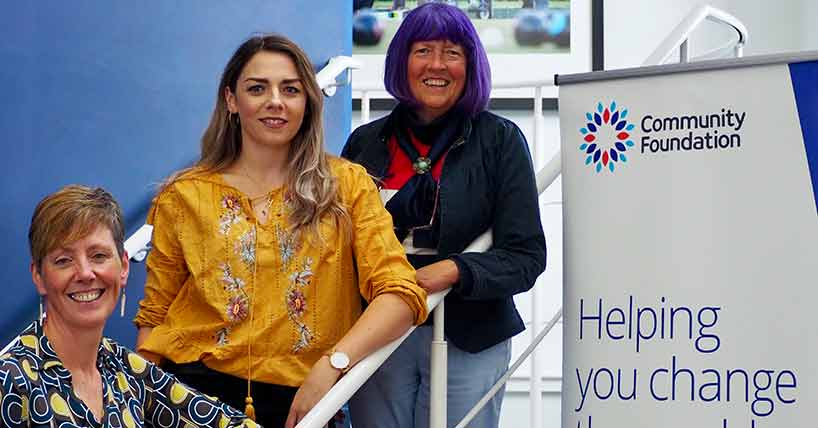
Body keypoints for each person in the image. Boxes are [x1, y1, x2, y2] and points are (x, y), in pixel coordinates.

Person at [133, 34, 428, 428]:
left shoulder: (346, 186)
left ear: (307, 102)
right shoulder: (184, 194)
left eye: (290, 89)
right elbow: (155, 315)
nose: (275, 101)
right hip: (190, 398)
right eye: (257, 88)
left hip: (304, 402)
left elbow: (401, 293)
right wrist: (141, 401)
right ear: (231, 100)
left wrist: (333, 364)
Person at [342, 3, 546, 428]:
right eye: (423, 51)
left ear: (469, 65)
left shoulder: (500, 141)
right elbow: (339, 247)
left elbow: (525, 256)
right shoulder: (365, 143)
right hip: (379, 329)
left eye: (452, 53)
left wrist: (452, 270)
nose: (437, 64)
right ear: (402, 61)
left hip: (469, 334)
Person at [0, 185, 258, 427]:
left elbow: (224, 422)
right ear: (38, 277)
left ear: (124, 266)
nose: (85, 273)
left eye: (98, 256)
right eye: (64, 260)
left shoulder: (125, 368)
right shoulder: (10, 381)